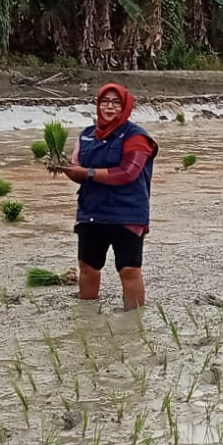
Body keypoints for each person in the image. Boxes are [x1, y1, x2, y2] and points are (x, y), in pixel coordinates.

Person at [52, 83, 159, 310]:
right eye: (105, 101)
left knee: (129, 269)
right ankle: (88, 317)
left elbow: (127, 174)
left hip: (127, 213)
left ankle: (133, 320)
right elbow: (78, 173)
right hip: (92, 211)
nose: (109, 107)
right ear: (97, 105)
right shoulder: (87, 136)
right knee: (88, 267)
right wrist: (63, 167)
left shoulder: (137, 138)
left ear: (125, 107)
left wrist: (85, 172)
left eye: (116, 102)